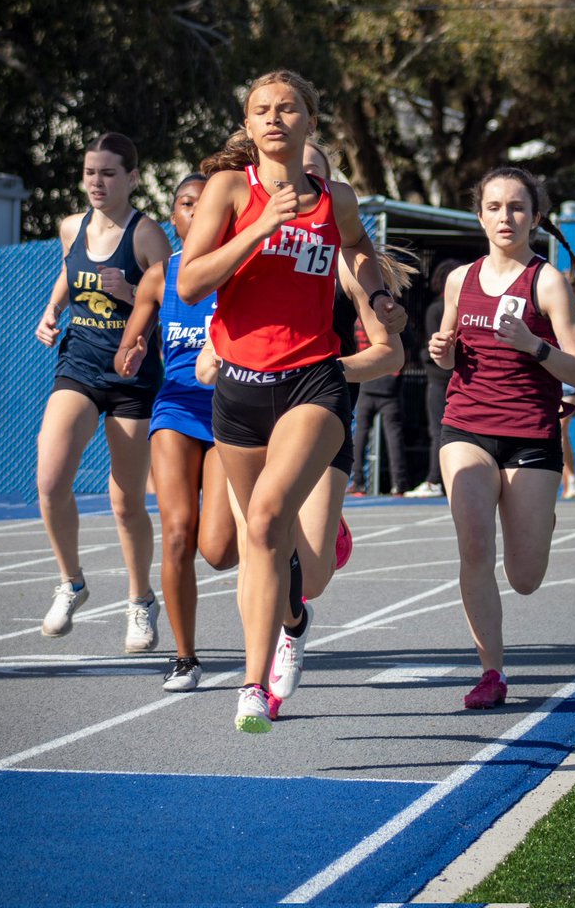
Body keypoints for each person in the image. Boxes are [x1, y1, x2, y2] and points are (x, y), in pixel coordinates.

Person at [177, 69, 399, 733]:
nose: (274, 118)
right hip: (239, 389)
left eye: (288, 108)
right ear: (247, 128)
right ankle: (293, 618)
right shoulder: (225, 190)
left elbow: (357, 249)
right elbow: (189, 283)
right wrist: (258, 227)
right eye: (261, 110)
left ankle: (250, 687)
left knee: (268, 517)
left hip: (312, 379)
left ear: (310, 121)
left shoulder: (336, 198)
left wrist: (378, 296)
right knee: (256, 539)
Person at [429, 166, 575, 709]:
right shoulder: (461, 279)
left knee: (525, 577)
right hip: (466, 428)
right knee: (474, 541)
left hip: (531, 434)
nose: (506, 217)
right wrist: (442, 351)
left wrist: (533, 345)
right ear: (480, 215)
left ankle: (536, 515)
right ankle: (491, 672)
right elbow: (453, 350)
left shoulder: (546, 282)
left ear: (535, 217)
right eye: (495, 207)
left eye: (517, 207)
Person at [34, 132, 172, 650]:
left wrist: (131, 292)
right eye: (91, 172)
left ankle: (140, 601)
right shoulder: (73, 226)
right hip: (80, 364)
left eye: (108, 173)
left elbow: (170, 304)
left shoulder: (146, 236)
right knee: (50, 479)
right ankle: (71, 581)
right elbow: (68, 276)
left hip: (132, 376)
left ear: (132, 178)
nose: (97, 181)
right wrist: (51, 313)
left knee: (126, 502)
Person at [113, 174, 238, 693]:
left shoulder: (241, 271)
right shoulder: (160, 277)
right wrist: (133, 354)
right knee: (179, 531)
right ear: (176, 215)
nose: (194, 213)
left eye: (205, 205)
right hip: (176, 409)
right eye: (186, 204)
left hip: (233, 411)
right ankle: (185, 658)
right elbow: (126, 351)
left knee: (219, 551)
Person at [406, 259, 463, 498]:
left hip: (440, 379)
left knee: (438, 429)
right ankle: (448, 479)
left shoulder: (436, 309)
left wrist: (420, 355)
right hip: (460, 377)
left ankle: (434, 478)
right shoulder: (465, 309)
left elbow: (433, 347)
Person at [350, 324, 411, 496]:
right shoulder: (395, 318)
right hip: (389, 384)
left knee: (360, 434)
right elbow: (406, 351)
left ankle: (357, 482)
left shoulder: (359, 321)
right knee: (394, 436)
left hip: (367, 380)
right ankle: (399, 483)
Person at [560, 273, 575, 499]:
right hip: (551, 379)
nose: (570, 288)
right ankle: (568, 479)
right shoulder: (548, 308)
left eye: (573, 285)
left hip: (570, 381)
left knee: (561, 427)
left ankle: (572, 479)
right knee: (555, 432)